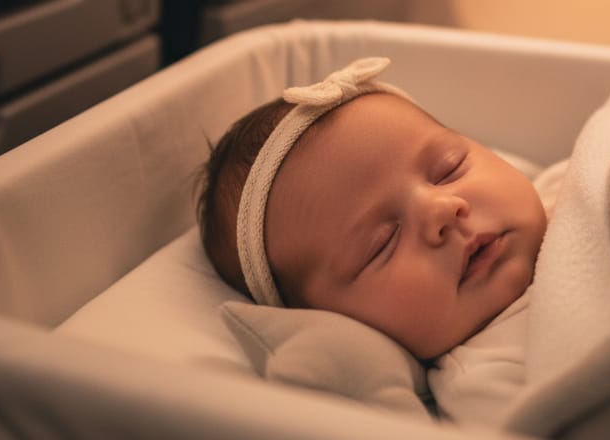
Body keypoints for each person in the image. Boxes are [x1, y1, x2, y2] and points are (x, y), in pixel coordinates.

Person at [196, 57, 548, 362]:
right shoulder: (491, 374)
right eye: (383, 242)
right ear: (331, 323)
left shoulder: (567, 183)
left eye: (449, 168)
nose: (441, 209)